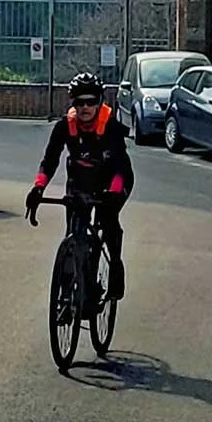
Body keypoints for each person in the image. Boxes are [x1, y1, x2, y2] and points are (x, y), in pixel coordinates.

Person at [26, 72, 133, 305]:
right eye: (79, 102)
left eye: (91, 101)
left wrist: (114, 194)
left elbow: (120, 168)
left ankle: (115, 266)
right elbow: (50, 160)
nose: (85, 107)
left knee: (108, 219)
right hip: (81, 179)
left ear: (99, 102)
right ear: (73, 103)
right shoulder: (65, 126)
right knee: (74, 232)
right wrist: (38, 188)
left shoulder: (111, 127)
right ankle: (67, 294)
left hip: (113, 179)